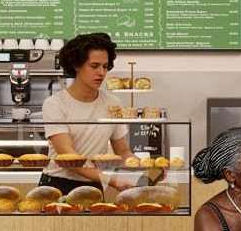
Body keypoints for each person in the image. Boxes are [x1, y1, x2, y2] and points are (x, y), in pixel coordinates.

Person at [38, 29, 155, 191]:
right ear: (76, 65)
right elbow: (69, 157)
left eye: (105, 67)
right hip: (58, 185)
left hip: (95, 183)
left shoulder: (112, 103)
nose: (101, 73)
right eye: (94, 66)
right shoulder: (55, 104)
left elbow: (122, 151)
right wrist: (112, 180)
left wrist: (147, 167)